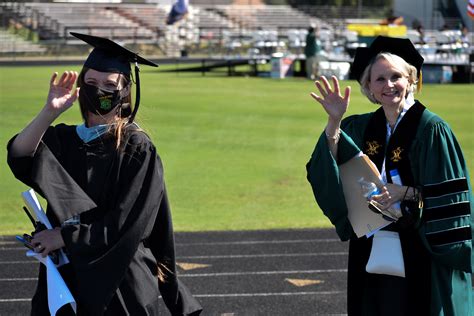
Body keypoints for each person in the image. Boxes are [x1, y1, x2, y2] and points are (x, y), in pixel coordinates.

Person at [7, 32, 203, 315]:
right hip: (67, 278)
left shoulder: (136, 147)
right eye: (91, 82)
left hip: (119, 283)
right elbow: (20, 156)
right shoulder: (65, 140)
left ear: (124, 92)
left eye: (110, 84)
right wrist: (49, 112)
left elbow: (127, 223)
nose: (99, 90)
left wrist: (63, 237)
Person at [306, 36, 473, 315]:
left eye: (396, 76)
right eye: (379, 79)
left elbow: (451, 198)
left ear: (410, 80)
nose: (389, 85)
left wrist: (406, 192)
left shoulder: (431, 129)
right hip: (371, 244)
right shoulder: (360, 126)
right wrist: (334, 121)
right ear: (369, 87)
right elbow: (328, 164)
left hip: (418, 246)